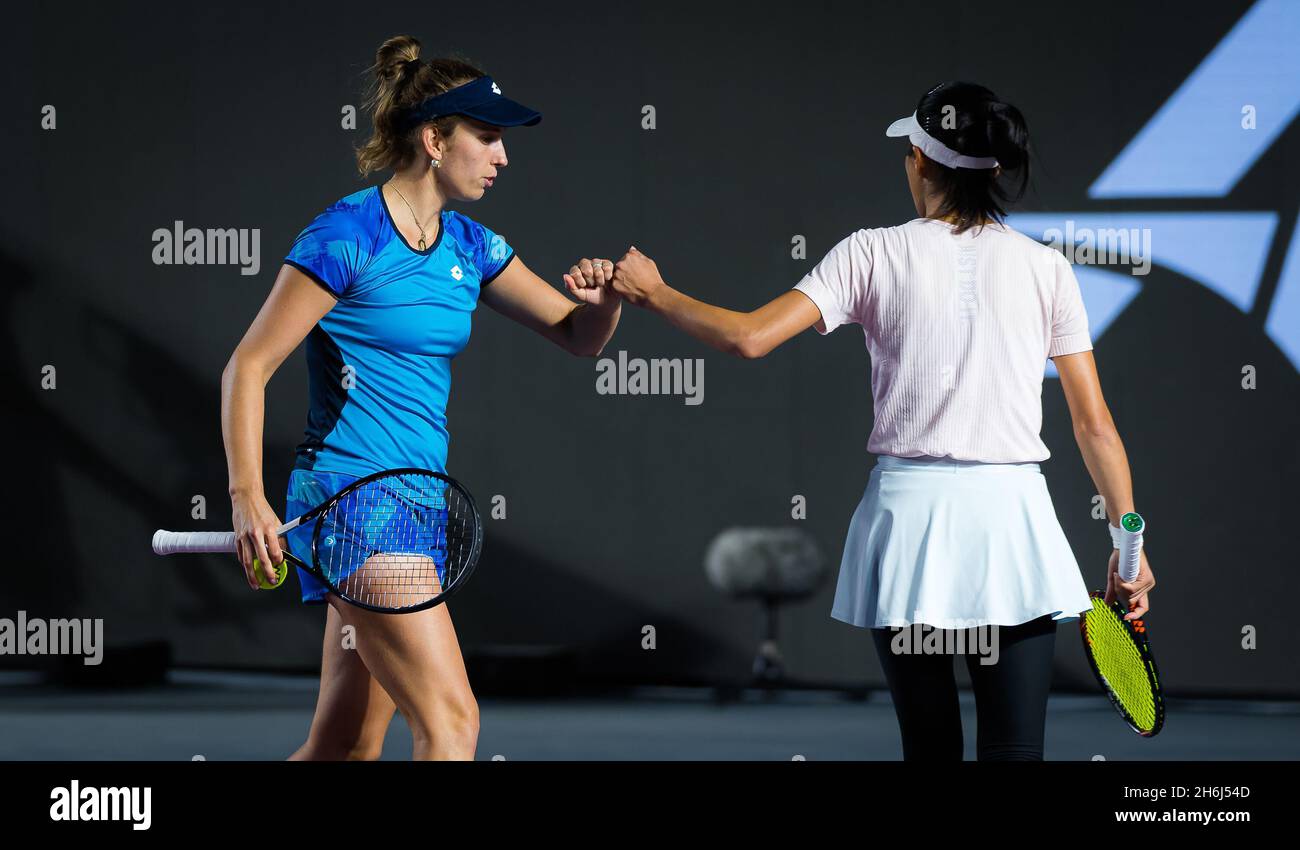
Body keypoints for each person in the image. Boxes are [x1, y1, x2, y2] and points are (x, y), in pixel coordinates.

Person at [607, 81, 1156, 761]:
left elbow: (748, 338)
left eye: (908, 150)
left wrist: (656, 294)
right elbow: (1094, 424)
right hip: (1013, 528)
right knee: (1016, 752)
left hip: (908, 528)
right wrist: (1127, 543)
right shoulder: (1047, 269)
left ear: (922, 162)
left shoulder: (869, 252)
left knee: (929, 750)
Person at [220, 35, 622, 761]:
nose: (503, 157)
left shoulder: (469, 245)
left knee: (343, 748)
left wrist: (605, 301)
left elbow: (578, 336)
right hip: (355, 499)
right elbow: (248, 367)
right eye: (489, 137)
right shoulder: (345, 235)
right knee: (451, 724)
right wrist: (248, 494)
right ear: (435, 139)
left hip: (418, 502)